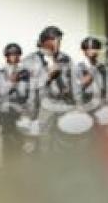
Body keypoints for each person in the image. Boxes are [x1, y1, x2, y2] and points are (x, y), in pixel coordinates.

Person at [22, 26, 75, 154]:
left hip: (63, 104)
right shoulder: (31, 60)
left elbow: (73, 80)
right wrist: (48, 76)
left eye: (59, 40)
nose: (58, 44)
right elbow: (29, 86)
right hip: (42, 106)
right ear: (45, 41)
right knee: (44, 142)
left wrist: (71, 89)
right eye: (55, 40)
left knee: (65, 141)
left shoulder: (65, 59)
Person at [0, 42, 29, 164]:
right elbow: (2, 91)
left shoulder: (25, 73)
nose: (14, 57)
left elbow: (23, 93)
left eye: (17, 54)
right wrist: (12, 81)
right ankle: (8, 170)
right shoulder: (0, 72)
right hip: (6, 111)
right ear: (7, 56)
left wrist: (17, 81)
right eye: (11, 54)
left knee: (20, 141)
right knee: (8, 142)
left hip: (20, 111)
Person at [75, 36, 108, 113]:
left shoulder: (102, 68)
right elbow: (77, 87)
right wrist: (93, 70)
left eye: (95, 48)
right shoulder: (79, 67)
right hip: (85, 105)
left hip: (101, 106)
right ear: (84, 51)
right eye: (89, 48)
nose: (92, 51)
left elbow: (105, 87)